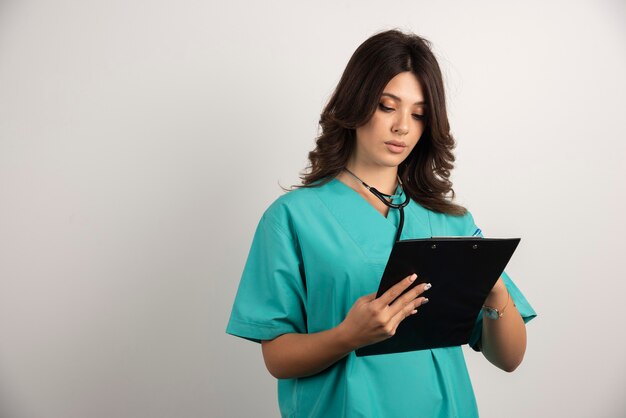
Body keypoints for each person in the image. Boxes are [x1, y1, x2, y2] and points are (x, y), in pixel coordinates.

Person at [226, 29, 537, 418]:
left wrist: (495, 294)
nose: (402, 127)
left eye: (419, 114)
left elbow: (509, 359)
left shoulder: (451, 222)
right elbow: (277, 358)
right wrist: (348, 336)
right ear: (355, 105)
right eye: (387, 106)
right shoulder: (292, 218)